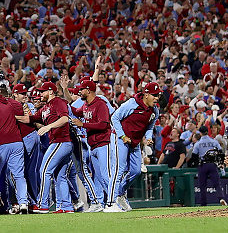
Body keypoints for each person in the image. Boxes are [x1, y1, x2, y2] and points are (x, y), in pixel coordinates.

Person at [17, 81, 73, 214]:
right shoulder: (45, 107)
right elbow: (30, 119)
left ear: (51, 92)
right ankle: (67, 207)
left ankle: (43, 205)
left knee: (44, 171)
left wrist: (48, 126)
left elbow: (65, 118)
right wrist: (10, 116)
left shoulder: (58, 102)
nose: (40, 93)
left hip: (61, 141)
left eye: (43, 91)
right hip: (59, 142)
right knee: (60, 176)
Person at [108, 82, 160, 212]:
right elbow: (114, 118)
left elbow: (149, 126)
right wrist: (122, 136)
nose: (157, 98)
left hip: (135, 141)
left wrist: (148, 137)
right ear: (146, 94)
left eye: (158, 95)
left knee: (136, 171)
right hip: (120, 138)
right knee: (118, 169)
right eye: (154, 95)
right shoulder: (132, 104)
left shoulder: (154, 110)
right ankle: (110, 202)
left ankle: (120, 193)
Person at [68, 78, 115, 213]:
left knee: (106, 175)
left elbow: (104, 124)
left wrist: (83, 124)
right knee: (99, 177)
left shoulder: (100, 104)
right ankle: (103, 203)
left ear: (88, 90)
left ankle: (115, 201)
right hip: (92, 144)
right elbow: (76, 112)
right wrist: (65, 104)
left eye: (81, 89)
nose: (79, 91)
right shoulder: (86, 104)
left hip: (103, 143)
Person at [0, 82, 28, 215]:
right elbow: (21, 111)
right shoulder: (11, 103)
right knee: (19, 175)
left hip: (0, 143)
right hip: (16, 142)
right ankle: (23, 203)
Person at [192, 125, 227, 206]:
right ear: (207, 132)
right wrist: (221, 163)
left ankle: (203, 203)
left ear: (200, 133)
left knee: (202, 186)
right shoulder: (214, 141)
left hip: (203, 165)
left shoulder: (198, 143)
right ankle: (221, 198)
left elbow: (194, 156)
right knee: (217, 184)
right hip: (213, 164)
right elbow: (221, 153)